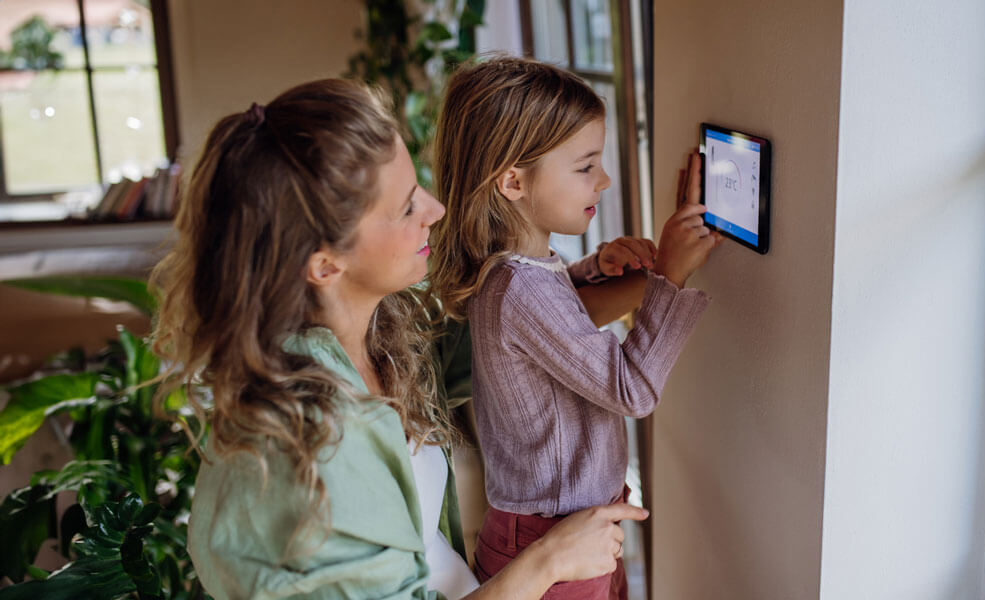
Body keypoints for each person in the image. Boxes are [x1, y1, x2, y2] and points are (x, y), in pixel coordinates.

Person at [150, 78, 647, 600]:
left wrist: (649, 273)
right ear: (324, 264)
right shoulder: (305, 450)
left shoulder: (382, 332)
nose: (435, 209)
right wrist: (548, 560)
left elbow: (540, 329)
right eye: (408, 206)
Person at [427, 56, 721, 600]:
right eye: (586, 166)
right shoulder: (520, 287)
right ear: (512, 181)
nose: (604, 180)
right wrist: (670, 280)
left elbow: (554, 317)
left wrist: (596, 268)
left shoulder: (518, 267)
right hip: (551, 541)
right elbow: (632, 390)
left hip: (571, 528)